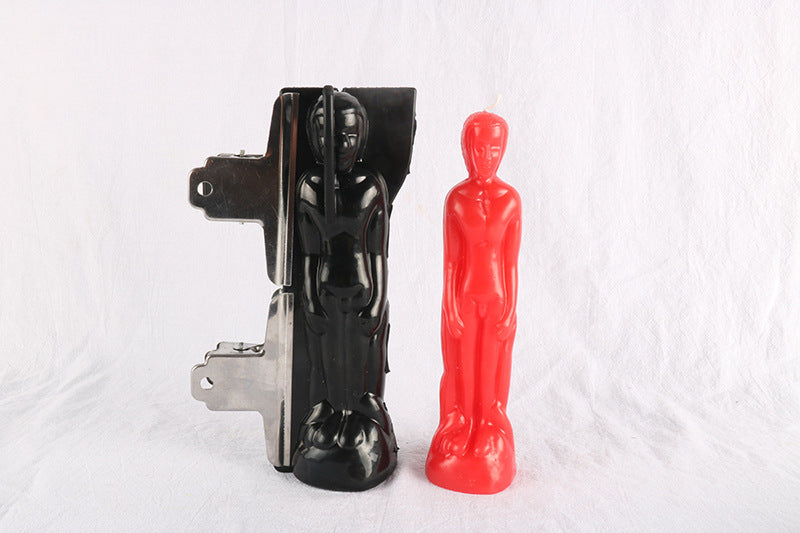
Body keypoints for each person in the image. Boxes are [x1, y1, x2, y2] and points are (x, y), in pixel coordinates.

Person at [292, 90, 397, 491]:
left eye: (349, 137)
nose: (340, 146)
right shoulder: (309, 187)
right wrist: (308, 296)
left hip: (362, 290)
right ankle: (329, 413)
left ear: (361, 138)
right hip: (323, 290)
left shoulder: (371, 186)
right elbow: (308, 253)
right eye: (331, 137)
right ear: (316, 138)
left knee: (362, 355)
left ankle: (362, 415)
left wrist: (378, 298)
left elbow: (377, 251)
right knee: (325, 356)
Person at [427, 111, 521, 494]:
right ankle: (461, 422)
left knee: (490, 367)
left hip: (496, 298)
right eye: (478, 148)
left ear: (503, 150)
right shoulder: (457, 199)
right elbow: (451, 260)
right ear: (466, 149)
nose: (486, 157)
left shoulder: (510, 200)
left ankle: (487, 425)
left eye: (494, 149)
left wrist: (511, 308)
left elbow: (510, 262)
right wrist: (449, 305)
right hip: (464, 296)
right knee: (461, 366)